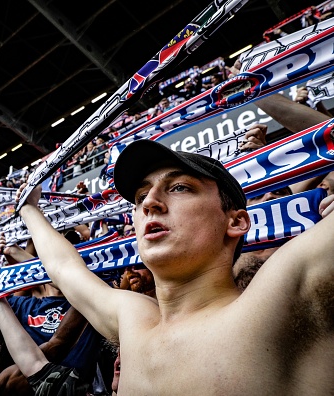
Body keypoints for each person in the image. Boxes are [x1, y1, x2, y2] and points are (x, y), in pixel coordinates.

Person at [17, 138, 334, 394]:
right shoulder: (135, 320)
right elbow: (63, 268)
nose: (149, 202)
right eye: (141, 196)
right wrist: (29, 210)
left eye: (180, 187)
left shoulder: (281, 294)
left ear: (236, 221)